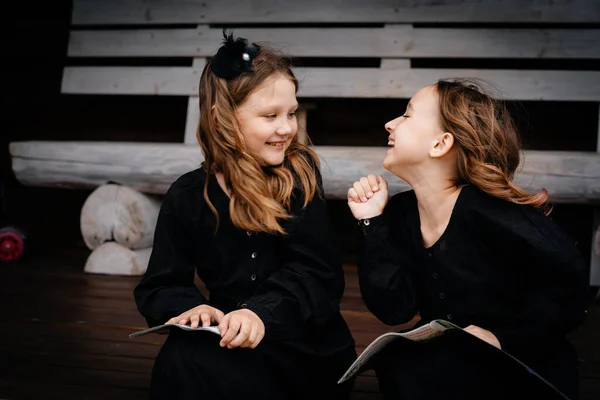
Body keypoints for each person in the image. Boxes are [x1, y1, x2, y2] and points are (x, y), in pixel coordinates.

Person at [134, 31, 357, 400]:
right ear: (223, 119)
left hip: (300, 340)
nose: (286, 128)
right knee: (179, 362)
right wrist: (191, 308)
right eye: (270, 116)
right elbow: (161, 283)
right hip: (229, 333)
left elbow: (317, 274)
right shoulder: (189, 195)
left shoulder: (297, 180)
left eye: (291, 113)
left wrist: (259, 313)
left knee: (245, 379)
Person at [347, 78, 589, 399]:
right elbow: (394, 308)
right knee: (402, 362)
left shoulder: (492, 212)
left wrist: (501, 337)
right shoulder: (403, 212)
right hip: (452, 356)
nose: (390, 124)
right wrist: (371, 221)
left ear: (440, 144)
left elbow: (567, 287)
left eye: (407, 115)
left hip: (520, 362)